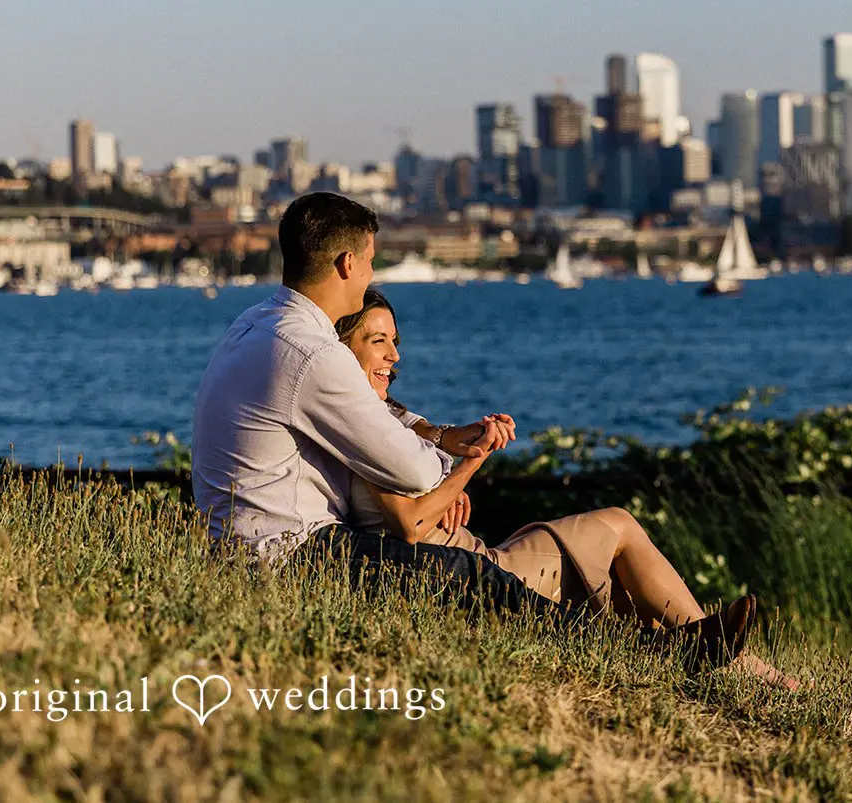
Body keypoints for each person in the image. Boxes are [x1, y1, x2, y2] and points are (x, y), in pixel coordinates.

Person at [191, 193, 753, 670]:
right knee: (465, 574)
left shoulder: (255, 324)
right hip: (289, 555)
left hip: (242, 547)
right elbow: (413, 472)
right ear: (346, 263)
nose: (370, 277)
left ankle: (663, 647)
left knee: (467, 571)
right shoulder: (313, 352)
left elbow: (384, 436)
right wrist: (454, 459)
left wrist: (431, 436)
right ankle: (634, 655)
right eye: (370, 264)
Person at [337, 285, 794, 687]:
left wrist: (454, 465)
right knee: (618, 526)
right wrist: (471, 463)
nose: (394, 356)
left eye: (394, 341)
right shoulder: (362, 428)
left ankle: (716, 658)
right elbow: (411, 526)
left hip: (473, 559)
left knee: (620, 580)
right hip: (477, 577)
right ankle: (728, 658)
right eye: (378, 341)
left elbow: (425, 435)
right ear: (341, 350)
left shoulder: (382, 415)